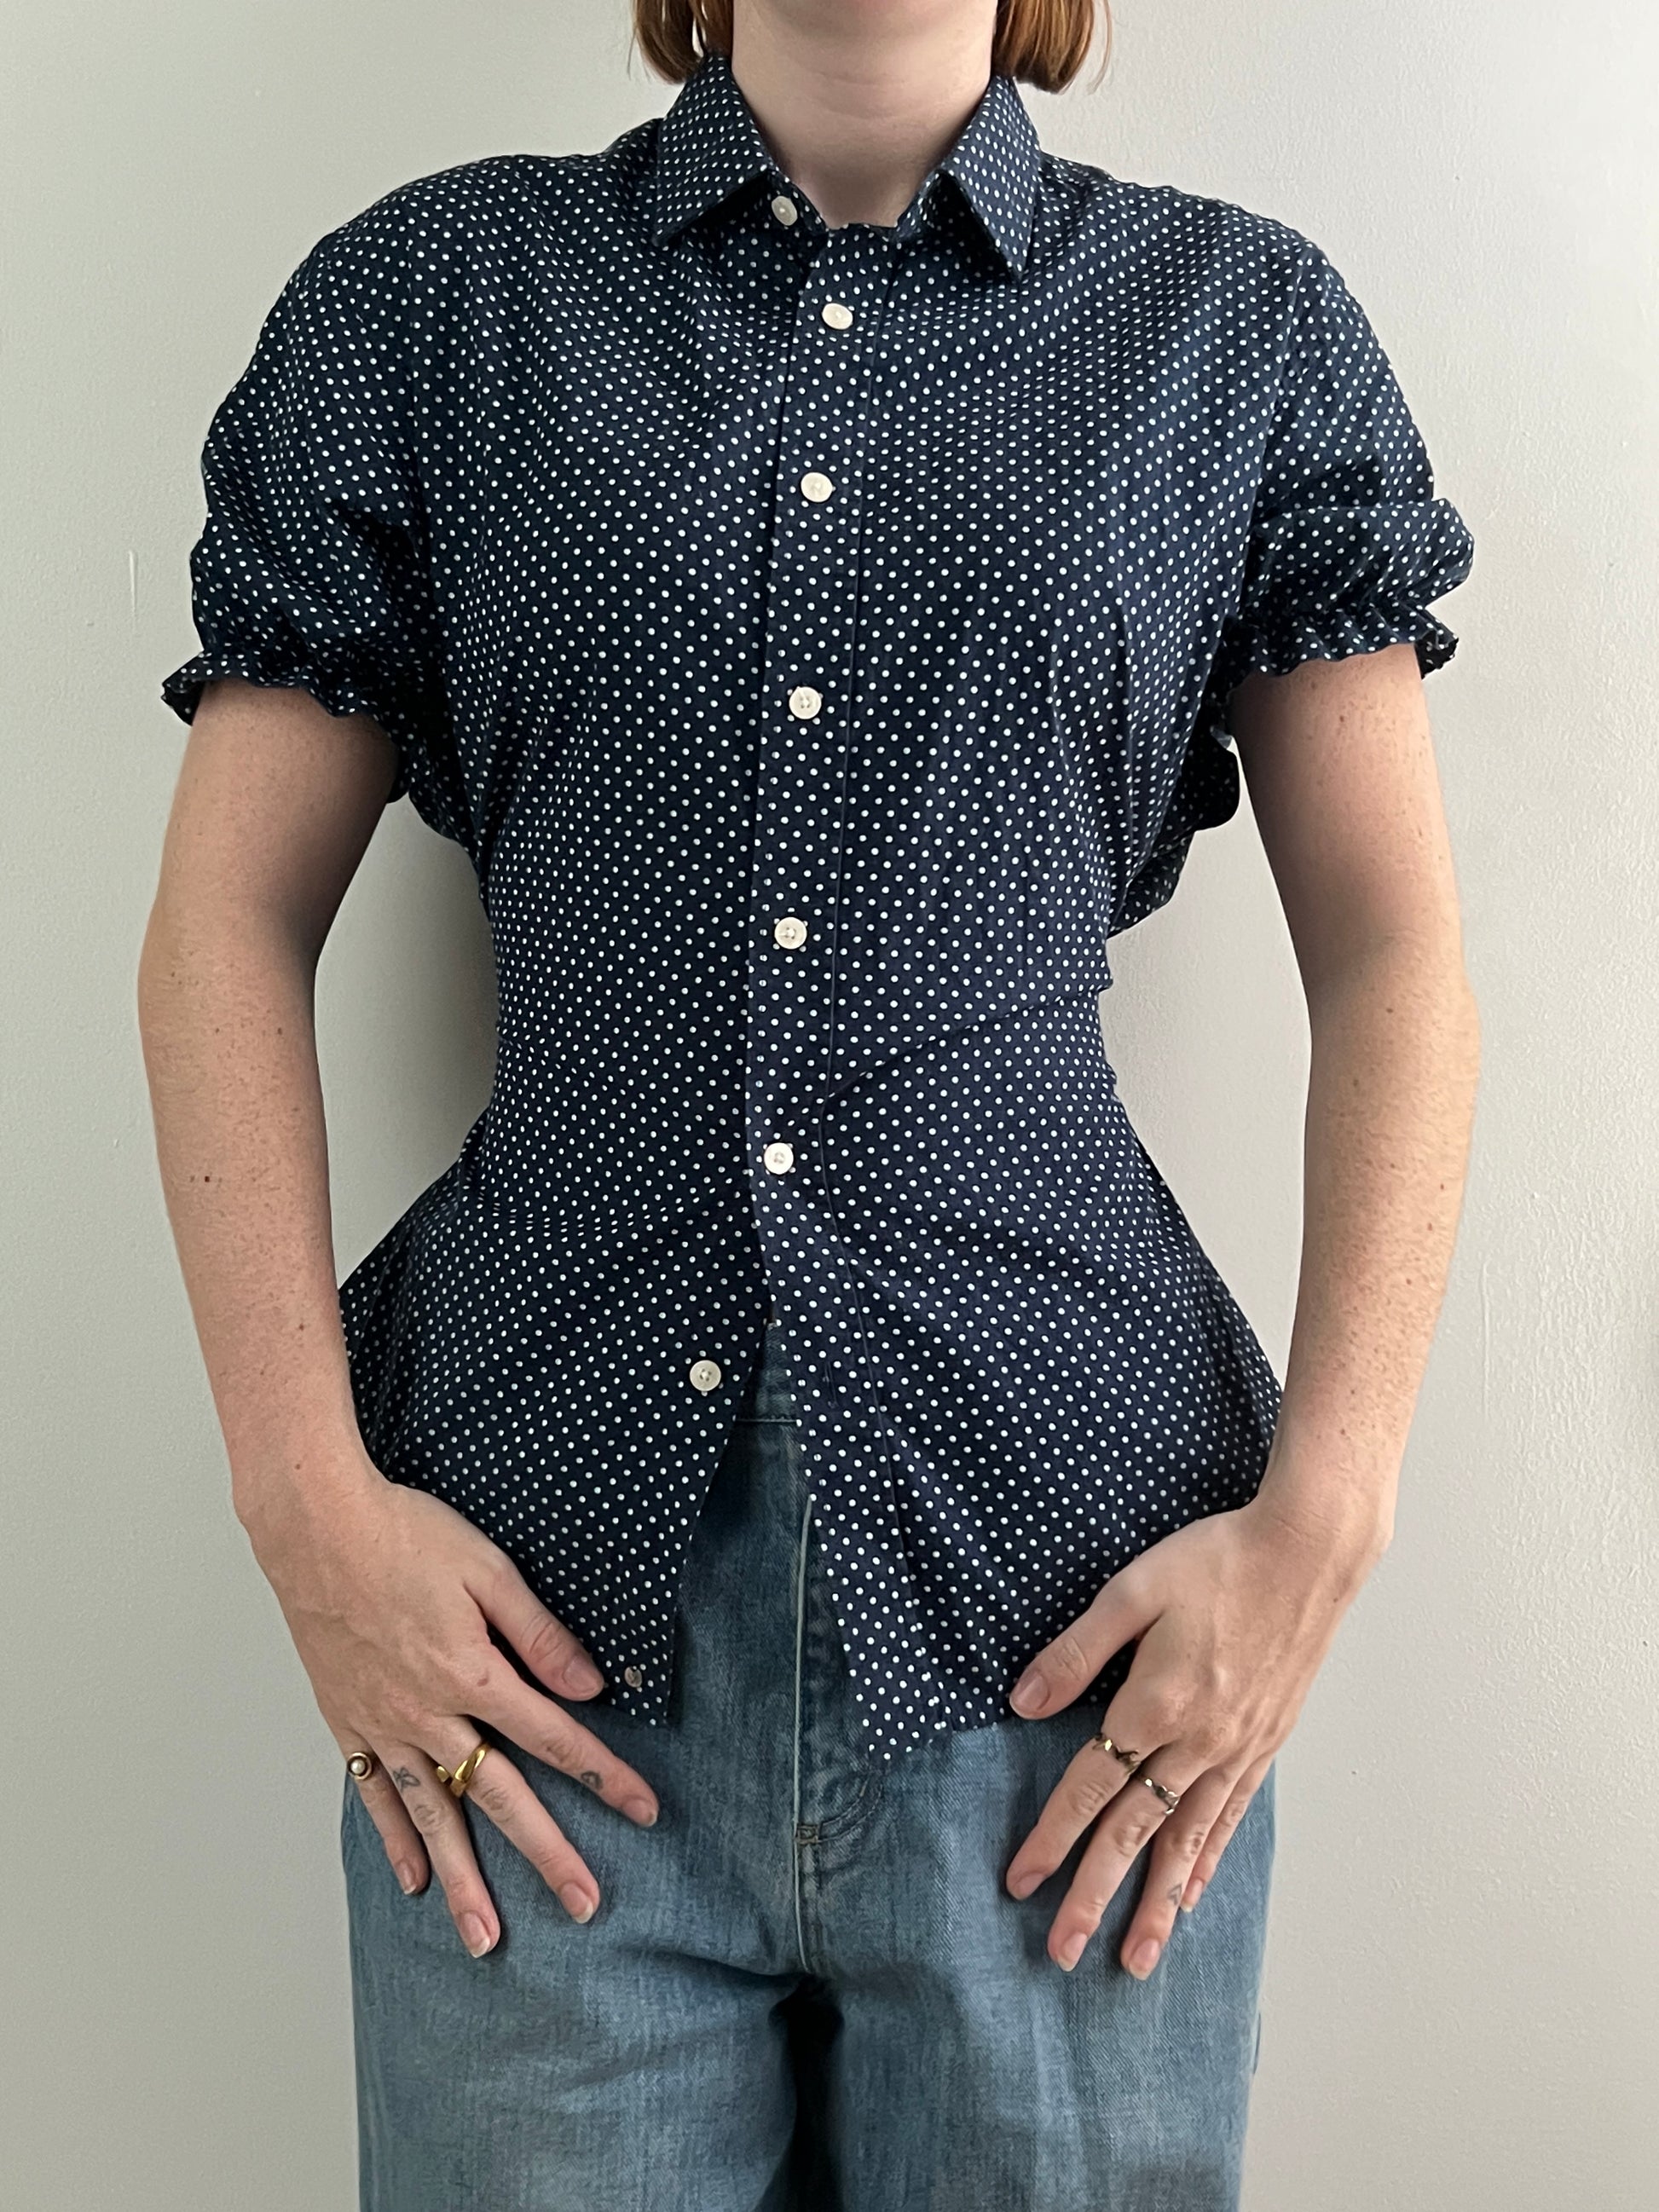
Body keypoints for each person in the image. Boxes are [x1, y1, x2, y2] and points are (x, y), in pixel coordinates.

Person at [137, 1, 1480, 2204]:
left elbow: (1393, 951)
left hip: (1070, 1618)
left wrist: (1323, 1516)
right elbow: (219, 928)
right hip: (526, 1634)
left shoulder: (1232, 328)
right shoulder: (435, 301)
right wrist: (301, 1499)